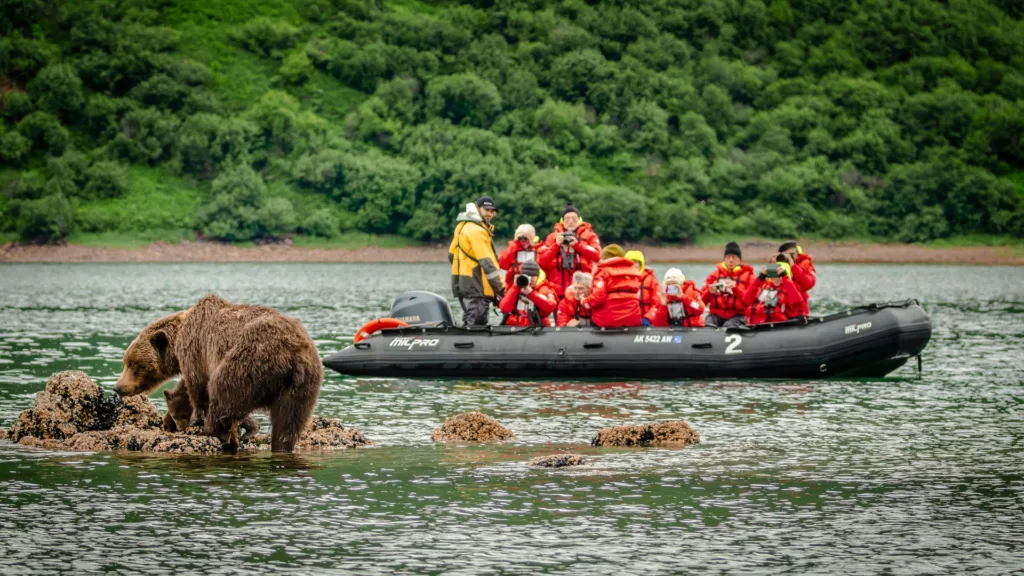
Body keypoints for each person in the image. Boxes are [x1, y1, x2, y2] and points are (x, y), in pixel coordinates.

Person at [448, 196, 503, 326]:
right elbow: (488, 263)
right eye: (486, 210)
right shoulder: (477, 231)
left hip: (462, 283)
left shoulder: (461, 226)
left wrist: (465, 267)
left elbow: (451, 255)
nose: (490, 214)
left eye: (492, 211)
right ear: (477, 209)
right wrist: (500, 288)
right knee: (476, 323)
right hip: (477, 286)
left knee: (470, 318)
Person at [538, 204, 601, 299]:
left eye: (574, 219)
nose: (571, 222)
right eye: (567, 219)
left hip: (582, 289)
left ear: (579, 220)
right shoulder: (552, 237)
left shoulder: (589, 236)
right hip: (557, 289)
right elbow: (542, 261)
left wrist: (578, 245)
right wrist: (556, 245)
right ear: (562, 221)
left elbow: (597, 256)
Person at [580, 244, 642, 328]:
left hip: (608, 319)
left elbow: (597, 297)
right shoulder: (633, 272)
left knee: (592, 321)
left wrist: (584, 302)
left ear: (604, 258)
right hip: (633, 317)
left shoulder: (602, 272)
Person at [701, 241, 754, 328]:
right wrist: (709, 292)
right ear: (724, 259)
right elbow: (702, 302)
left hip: (738, 315)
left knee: (728, 326)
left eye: (734, 257)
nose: (731, 260)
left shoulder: (749, 277)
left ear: (739, 260)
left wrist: (735, 288)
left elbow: (750, 301)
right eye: (728, 257)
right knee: (709, 323)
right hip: (716, 314)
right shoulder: (714, 276)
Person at [743, 256, 808, 325]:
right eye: (772, 268)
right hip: (756, 327)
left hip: (777, 328)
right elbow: (746, 300)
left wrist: (784, 277)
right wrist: (760, 278)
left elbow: (799, 305)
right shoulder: (764, 286)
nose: (775, 276)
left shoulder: (792, 287)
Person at [498, 260, 558, 327]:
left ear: (537, 276)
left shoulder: (544, 288)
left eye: (533, 276)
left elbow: (551, 306)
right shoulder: (516, 288)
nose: (530, 279)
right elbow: (504, 307)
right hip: (516, 327)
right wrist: (515, 287)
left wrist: (532, 293)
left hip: (536, 327)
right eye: (528, 276)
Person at [497, 224, 543, 289]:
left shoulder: (537, 250)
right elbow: (502, 264)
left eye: (526, 238)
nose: (523, 241)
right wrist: (514, 245)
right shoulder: (512, 250)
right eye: (520, 238)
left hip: (532, 286)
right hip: (513, 286)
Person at [778, 240, 816, 308]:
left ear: (797, 253)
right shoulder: (779, 263)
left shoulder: (805, 263)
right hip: (781, 306)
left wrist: (793, 266)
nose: (789, 257)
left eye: (792, 254)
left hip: (798, 308)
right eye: (787, 255)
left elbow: (808, 284)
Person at [624, 250, 660, 317]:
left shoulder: (651, 279)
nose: (633, 264)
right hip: (629, 319)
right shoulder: (622, 280)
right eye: (630, 262)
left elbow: (657, 302)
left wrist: (648, 317)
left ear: (641, 264)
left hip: (646, 319)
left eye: (635, 262)